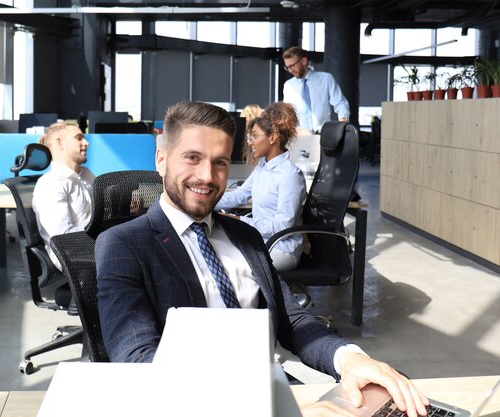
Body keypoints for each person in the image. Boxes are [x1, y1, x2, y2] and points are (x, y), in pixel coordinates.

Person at [95, 100, 429, 417]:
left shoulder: (245, 237)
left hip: (268, 387)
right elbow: (138, 363)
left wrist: (350, 360)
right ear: (161, 159)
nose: (208, 177)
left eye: (220, 162)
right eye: (192, 158)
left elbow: (292, 319)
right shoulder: (123, 245)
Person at [216, 102, 305, 271]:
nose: (250, 142)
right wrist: (210, 200)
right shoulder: (263, 166)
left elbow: (283, 225)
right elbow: (240, 195)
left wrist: (242, 221)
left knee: (226, 262)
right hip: (261, 240)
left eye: (255, 136)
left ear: (272, 138)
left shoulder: (289, 175)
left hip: (280, 249)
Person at [32, 121, 95, 270]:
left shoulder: (85, 175)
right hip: (70, 255)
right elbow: (64, 238)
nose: (86, 143)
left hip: (93, 244)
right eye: (79, 138)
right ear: (60, 143)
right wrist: (106, 235)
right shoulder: (51, 184)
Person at [282, 46, 350, 133]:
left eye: (292, 66)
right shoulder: (289, 85)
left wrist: (343, 122)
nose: (290, 70)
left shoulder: (326, 79)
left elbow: (340, 103)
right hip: (299, 136)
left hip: (322, 134)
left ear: (303, 61)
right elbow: (287, 113)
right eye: (287, 67)